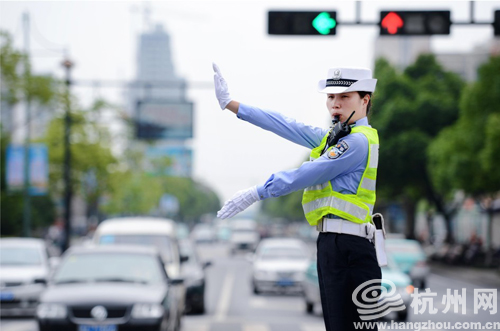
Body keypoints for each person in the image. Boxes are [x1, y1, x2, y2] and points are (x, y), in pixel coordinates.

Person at [213, 63, 382, 331]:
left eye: (344, 97)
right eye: (331, 97)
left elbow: (312, 171)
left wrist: (258, 192)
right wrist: (232, 105)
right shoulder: (336, 138)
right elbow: (287, 125)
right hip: (333, 243)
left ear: (365, 100)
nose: (335, 104)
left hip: (351, 247)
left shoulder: (356, 142)